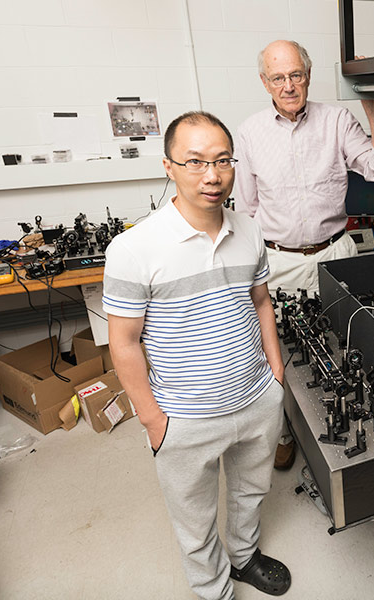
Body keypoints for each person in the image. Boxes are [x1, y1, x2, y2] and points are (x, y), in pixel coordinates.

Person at [104, 111, 291, 600]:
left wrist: (275, 372)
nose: (212, 176)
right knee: (194, 514)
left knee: (251, 492)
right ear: (168, 167)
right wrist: (152, 420)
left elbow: (262, 302)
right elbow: (123, 342)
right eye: (195, 162)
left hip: (255, 398)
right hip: (184, 416)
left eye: (222, 161)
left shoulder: (249, 230)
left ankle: (244, 557)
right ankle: (212, 588)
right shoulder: (133, 248)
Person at [233, 39, 374, 470]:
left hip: (336, 253)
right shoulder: (251, 132)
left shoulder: (336, 120)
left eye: (296, 75)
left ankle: (352, 430)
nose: (288, 85)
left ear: (308, 75)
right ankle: (285, 433)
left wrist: (371, 101)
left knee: (349, 344)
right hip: (280, 263)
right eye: (278, 77)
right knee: (281, 355)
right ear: (264, 82)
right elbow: (247, 209)